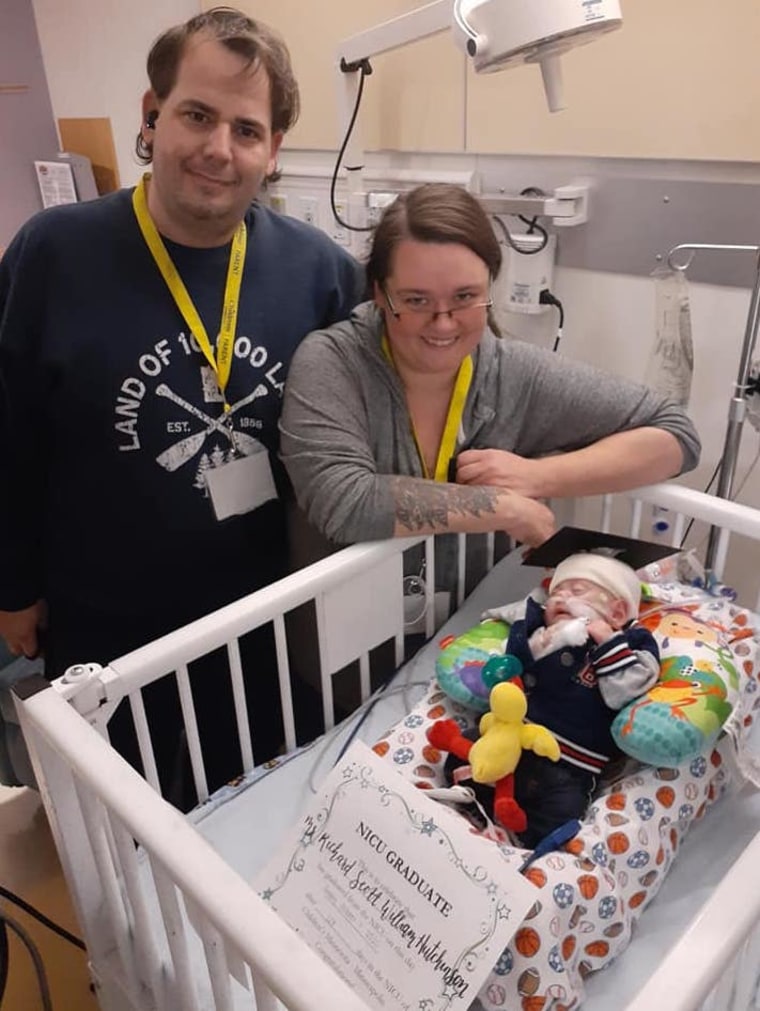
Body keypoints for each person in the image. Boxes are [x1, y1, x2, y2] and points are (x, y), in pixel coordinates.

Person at [0, 7, 365, 799]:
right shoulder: (53, 255)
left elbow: (385, 411)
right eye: (197, 115)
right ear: (152, 115)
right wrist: (12, 586)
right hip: (104, 625)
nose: (217, 149)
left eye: (246, 129)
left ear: (271, 153)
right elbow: (9, 433)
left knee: (252, 820)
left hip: (262, 618)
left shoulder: (320, 273)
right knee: (120, 833)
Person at [279, 183, 701, 581]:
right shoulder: (333, 363)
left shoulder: (512, 374)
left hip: (475, 634)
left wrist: (538, 477)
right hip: (351, 636)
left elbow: (676, 437)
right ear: (378, 293)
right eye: (416, 300)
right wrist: (500, 507)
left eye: (464, 297)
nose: (443, 323)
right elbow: (343, 500)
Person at [439, 552, 660, 847]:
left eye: (577, 591)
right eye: (556, 593)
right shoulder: (536, 630)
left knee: (563, 812)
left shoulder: (631, 643)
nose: (561, 598)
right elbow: (511, 661)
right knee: (458, 755)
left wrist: (609, 642)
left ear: (618, 613)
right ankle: (473, 807)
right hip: (508, 739)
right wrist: (538, 642)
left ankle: (517, 841)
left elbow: (626, 692)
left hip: (568, 764)